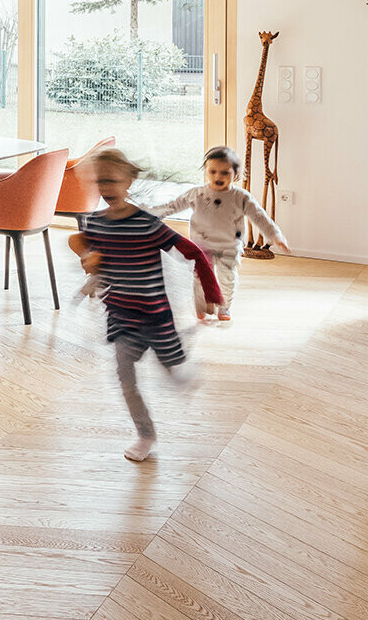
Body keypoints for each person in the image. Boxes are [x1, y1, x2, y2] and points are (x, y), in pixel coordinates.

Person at [68, 147, 222, 463]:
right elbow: (96, 259)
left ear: (130, 181)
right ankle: (145, 434)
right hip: (121, 316)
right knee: (125, 376)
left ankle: (183, 372)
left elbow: (193, 253)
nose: (107, 188)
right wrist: (90, 277)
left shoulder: (148, 225)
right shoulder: (95, 224)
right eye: (100, 182)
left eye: (113, 181)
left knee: (171, 369)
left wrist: (211, 293)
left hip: (155, 316)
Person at [156, 145, 288, 322]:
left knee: (227, 278)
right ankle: (202, 305)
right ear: (206, 171)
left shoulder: (241, 197)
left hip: (229, 246)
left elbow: (259, 216)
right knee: (199, 278)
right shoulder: (197, 194)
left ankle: (224, 306)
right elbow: (173, 206)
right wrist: (149, 214)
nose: (218, 177)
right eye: (213, 171)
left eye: (225, 173)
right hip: (202, 246)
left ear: (236, 174)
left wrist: (275, 235)